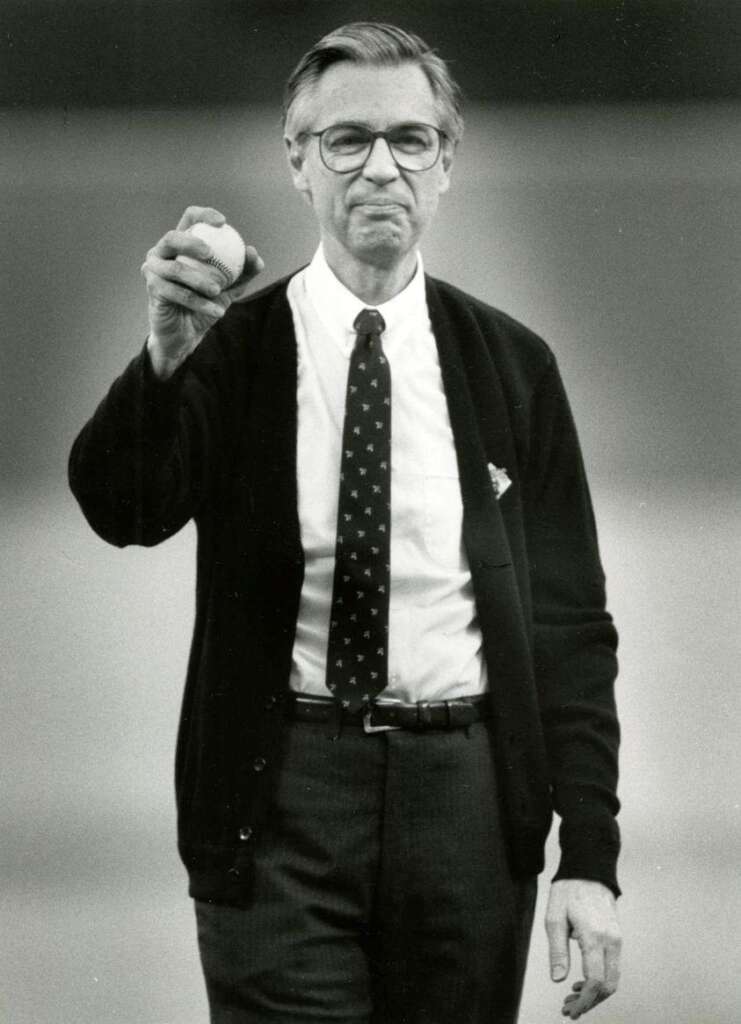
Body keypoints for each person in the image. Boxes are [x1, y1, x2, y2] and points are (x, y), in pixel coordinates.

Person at [69, 21, 622, 1024]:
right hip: (281, 796)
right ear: (297, 160)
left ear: (445, 163)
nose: (380, 166)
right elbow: (125, 508)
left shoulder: (512, 366)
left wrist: (590, 859)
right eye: (346, 139)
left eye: (411, 140)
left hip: (465, 798)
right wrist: (161, 359)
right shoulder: (233, 349)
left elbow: (571, 631)